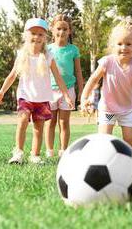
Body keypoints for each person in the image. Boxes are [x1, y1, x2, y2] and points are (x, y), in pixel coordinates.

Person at [0, 18, 73, 164]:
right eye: (33, 33)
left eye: (40, 34)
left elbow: (58, 78)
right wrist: (1, 92)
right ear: (26, 35)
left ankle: (35, 155)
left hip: (42, 98)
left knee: (38, 128)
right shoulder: (22, 55)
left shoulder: (48, 56)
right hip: (25, 96)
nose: (36, 37)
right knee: (23, 121)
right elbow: (12, 76)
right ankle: (18, 153)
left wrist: (66, 95)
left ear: (45, 38)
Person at [81, 18, 132, 149]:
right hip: (107, 108)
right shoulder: (107, 62)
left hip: (128, 109)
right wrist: (84, 97)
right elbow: (93, 80)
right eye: (120, 44)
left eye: (128, 44)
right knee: (104, 139)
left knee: (129, 138)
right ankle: (103, 161)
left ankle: (130, 162)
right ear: (113, 45)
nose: (124, 47)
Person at [45, 14, 84, 158]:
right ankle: (49, 151)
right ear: (52, 30)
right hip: (50, 91)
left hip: (68, 90)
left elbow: (78, 72)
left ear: (69, 31)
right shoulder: (47, 49)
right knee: (50, 122)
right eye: (58, 28)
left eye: (65, 29)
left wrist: (81, 92)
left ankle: (63, 151)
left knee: (64, 122)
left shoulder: (73, 50)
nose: (61, 32)